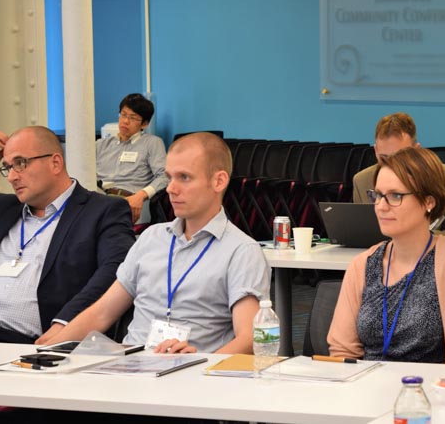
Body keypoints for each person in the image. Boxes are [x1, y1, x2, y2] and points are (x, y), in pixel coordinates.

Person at [38, 132, 271, 353]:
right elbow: (102, 313)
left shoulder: (241, 251)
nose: (170, 188)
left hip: (191, 371)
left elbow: (249, 338)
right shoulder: (151, 238)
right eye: (169, 177)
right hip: (129, 367)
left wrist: (203, 367)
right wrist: (45, 352)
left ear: (219, 181)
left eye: (184, 177)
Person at [0, 126, 136, 344]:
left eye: (20, 163)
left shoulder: (102, 210)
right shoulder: (0, 206)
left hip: (30, 338)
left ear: (55, 163)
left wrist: (67, 323)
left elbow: (117, 269)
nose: (12, 177)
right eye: (8, 167)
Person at [329, 147, 445, 364]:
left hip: (435, 384)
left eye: (395, 196)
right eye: (377, 195)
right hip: (367, 383)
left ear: (428, 202)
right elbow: (342, 351)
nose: (381, 206)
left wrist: (436, 383)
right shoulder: (362, 264)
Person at [353, 112, 445, 245]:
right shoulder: (362, 181)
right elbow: (362, 233)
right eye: (384, 158)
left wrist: (415, 236)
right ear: (375, 151)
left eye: (401, 156)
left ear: (416, 150)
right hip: (381, 254)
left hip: (436, 254)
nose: (393, 164)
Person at [96, 93, 168, 224]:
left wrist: (141, 195)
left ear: (144, 124)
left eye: (133, 118)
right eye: (123, 115)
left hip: (129, 200)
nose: (125, 121)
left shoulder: (152, 143)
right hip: (98, 198)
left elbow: (164, 176)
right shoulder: (101, 145)